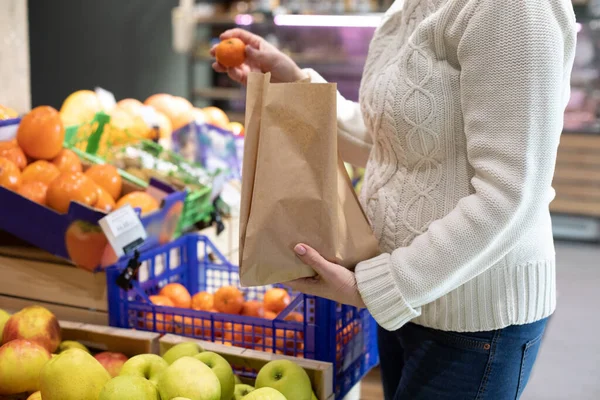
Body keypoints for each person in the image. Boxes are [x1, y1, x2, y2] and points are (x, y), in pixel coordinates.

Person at [212, 0, 576, 398]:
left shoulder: (513, 9)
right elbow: (390, 143)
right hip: (405, 301)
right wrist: (294, 83)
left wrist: (385, 285)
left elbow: (510, 193)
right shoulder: (411, 5)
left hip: (476, 319)